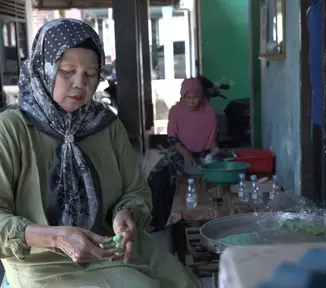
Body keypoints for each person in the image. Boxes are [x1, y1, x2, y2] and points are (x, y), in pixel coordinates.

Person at [0, 19, 201, 288]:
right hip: (43, 264)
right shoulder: (11, 129)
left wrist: (125, 215)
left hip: (114, 249)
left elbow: (135, 190)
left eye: (91, 73)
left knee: (186, 283)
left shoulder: (105, 125)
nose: (79, 84)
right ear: (43, 67)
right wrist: (56, 237)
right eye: (67, 71)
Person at [148, 78, 219, 231]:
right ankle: (160, 222)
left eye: (195, 97)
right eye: (188, 98)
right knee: (158, 180)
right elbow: (172, 138)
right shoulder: (176, 111)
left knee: (191, 185)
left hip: (201, 156)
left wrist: (214, 151)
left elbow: (211, 140)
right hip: (178, 152)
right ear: (182, 97)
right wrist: (186, 154)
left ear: (201, 96)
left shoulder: (209, 113)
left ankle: (189, 223)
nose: (192, 101)